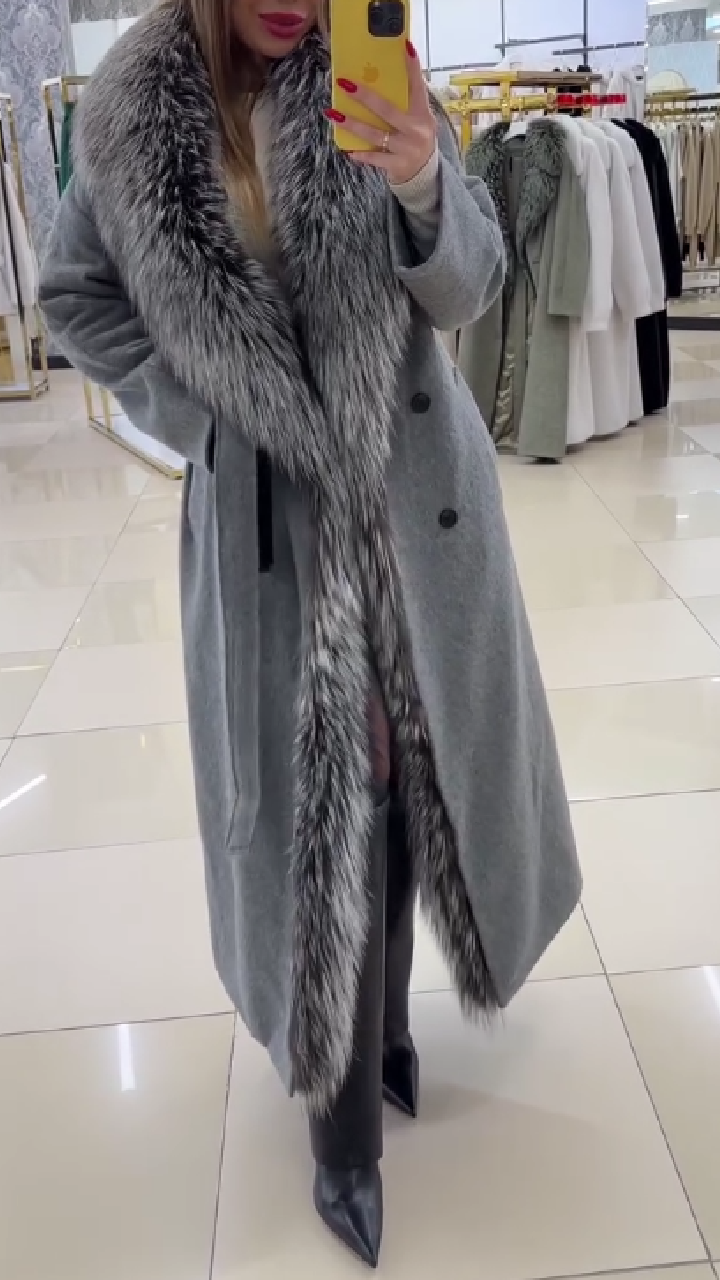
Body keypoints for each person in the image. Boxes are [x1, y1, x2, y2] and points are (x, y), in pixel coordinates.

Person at [39, 0, 582, 1267]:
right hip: (269, 530)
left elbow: (474, 284)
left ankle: (383, 1033)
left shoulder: (377, 71)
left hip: (416, 504)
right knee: (311, 811)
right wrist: (204, 413)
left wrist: (424, 180)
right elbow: (73, 292)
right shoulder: (129, 109)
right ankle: (341, 1137)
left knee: (405, 779)